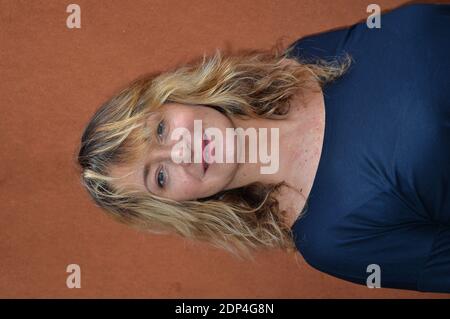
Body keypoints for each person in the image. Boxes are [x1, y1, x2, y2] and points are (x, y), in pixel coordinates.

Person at [77, 3, 450, 293]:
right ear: (176, 206)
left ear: (175, 98)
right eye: (160, 176)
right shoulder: (331, 239)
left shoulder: (307, 55)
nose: (179, 153)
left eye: (160, 129)